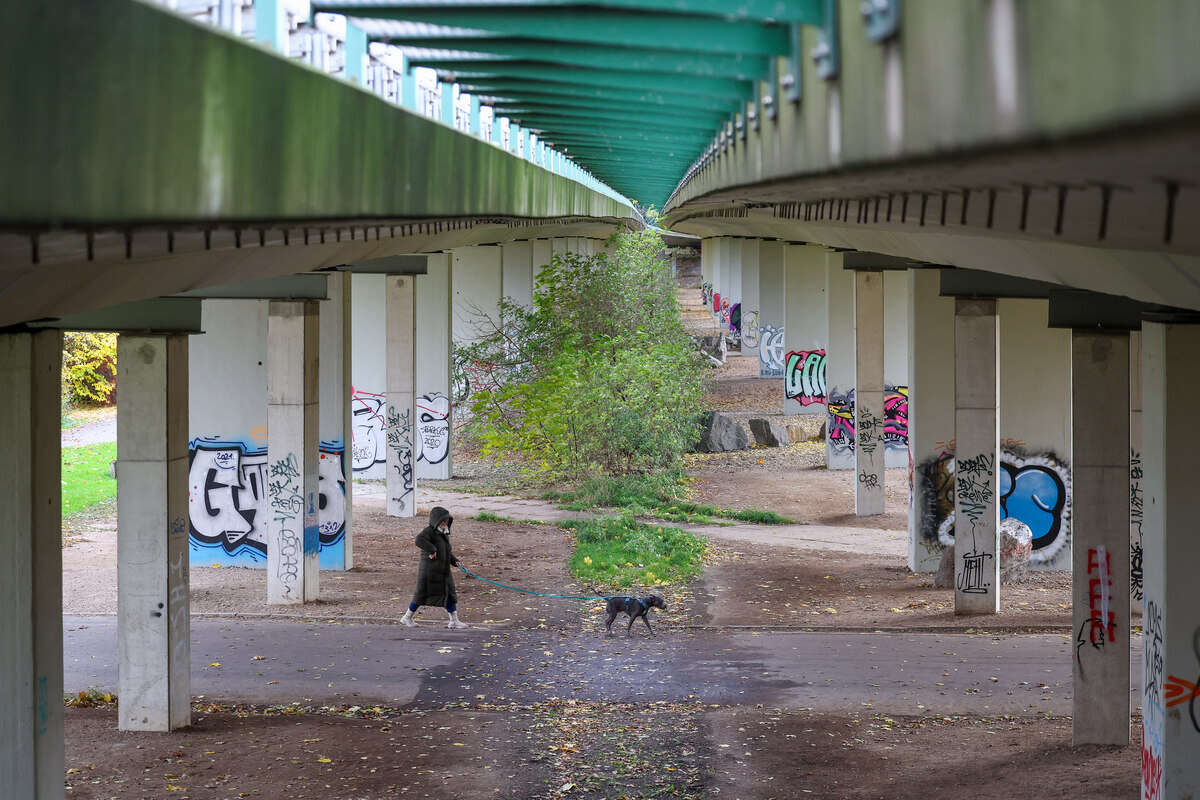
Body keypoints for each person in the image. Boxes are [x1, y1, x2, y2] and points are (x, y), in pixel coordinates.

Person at [400, 506, 468, 629]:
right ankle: (407, 617)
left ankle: (454, 621)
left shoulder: (444, 533)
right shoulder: (428, 531)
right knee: (421, 595)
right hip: (429, 571)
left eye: (446, 521)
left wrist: (455, 561)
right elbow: (418, 540)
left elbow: (447, 551)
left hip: (443, 571)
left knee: (449, 594)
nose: (444, 523)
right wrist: (432, 549)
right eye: (442, 521)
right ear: (436, 520)